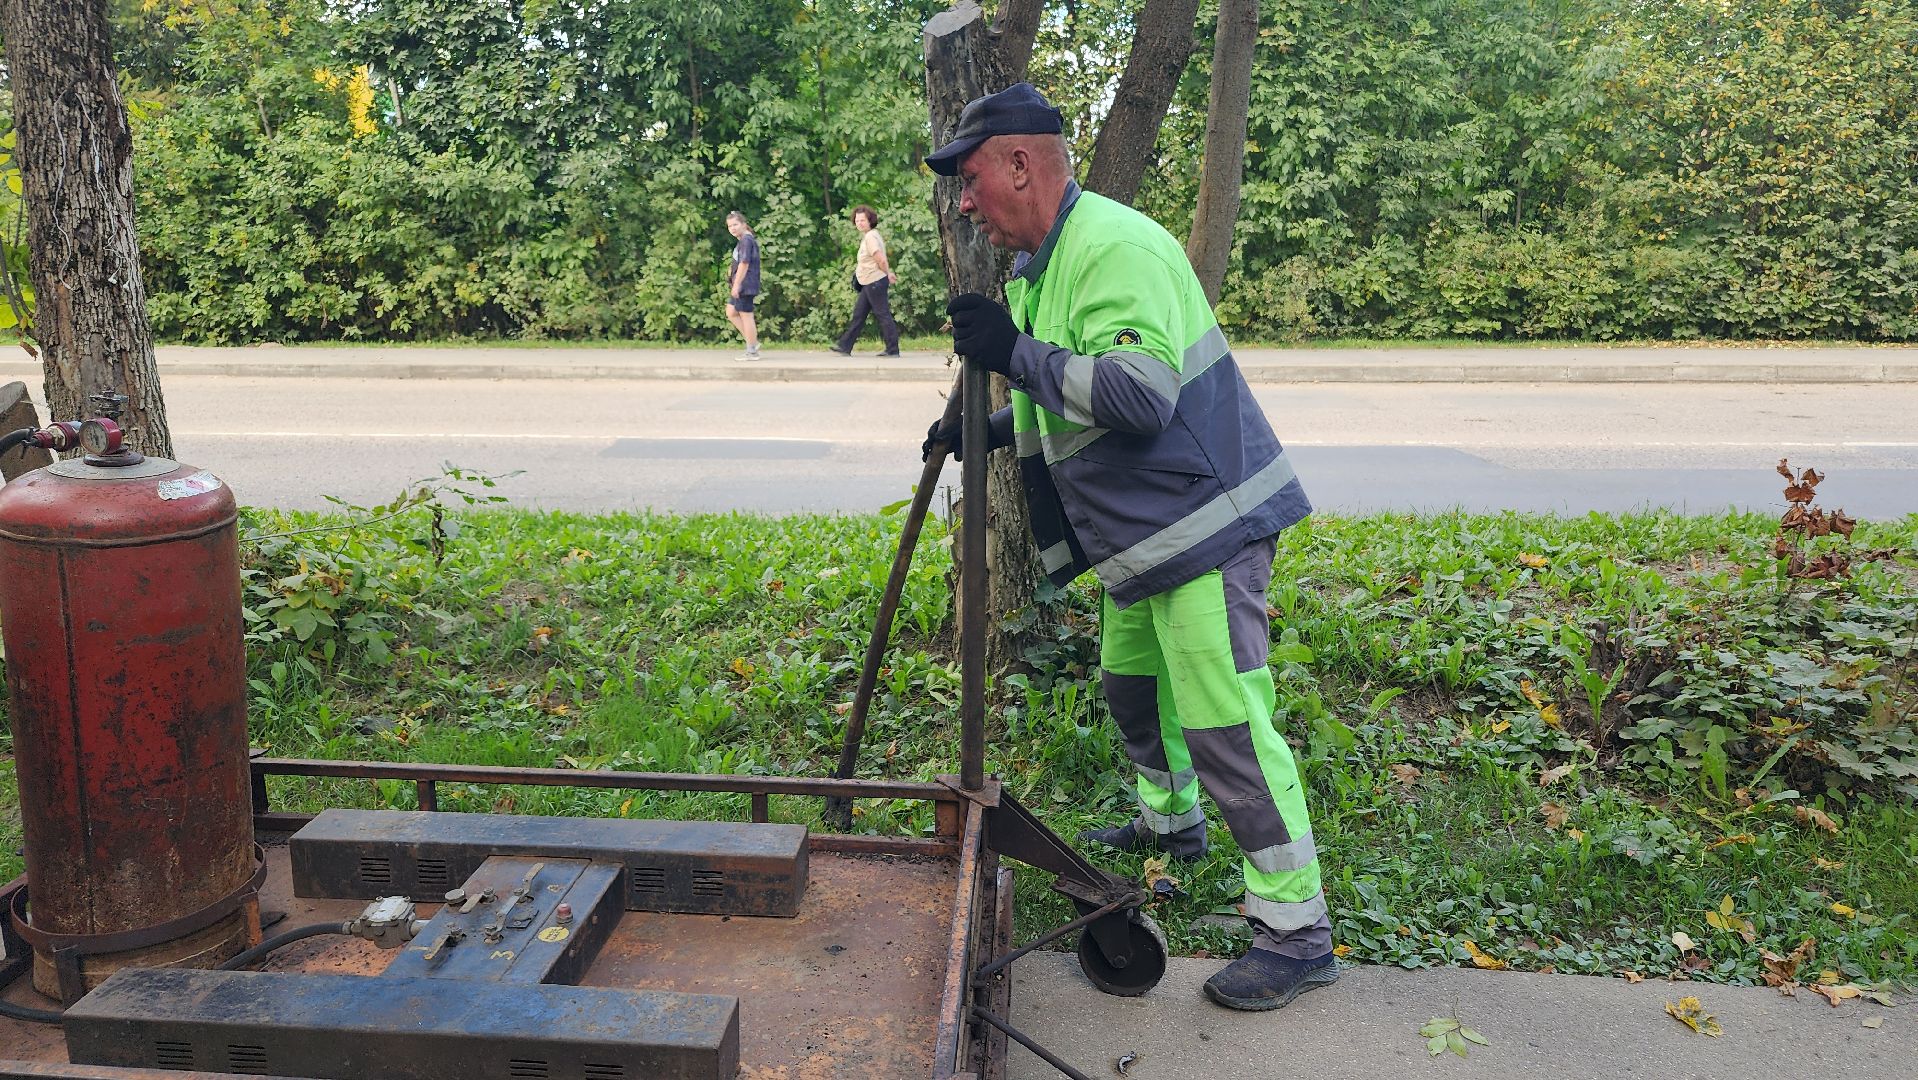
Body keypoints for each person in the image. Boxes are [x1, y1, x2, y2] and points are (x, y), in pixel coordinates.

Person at [920, 83, 1336, 1012]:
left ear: (1021, 165)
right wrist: (984, 426)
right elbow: (1069, 384)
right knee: (1130, 688)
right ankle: (1173, 824)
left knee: (1227, 724)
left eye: (971, 177)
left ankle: (1297, 928)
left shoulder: (1114, 246)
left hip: (1204, 530)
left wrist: (1012, 355)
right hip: (1146, 540)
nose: (964, 200)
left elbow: (1139, 395)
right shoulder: (1046, 264)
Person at [831, 205, 901, 357]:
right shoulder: (871, 235)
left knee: (882, 314)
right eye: (857, 220)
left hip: (874, 281)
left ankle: (893, 349)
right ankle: (845, 346)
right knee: (859, 314)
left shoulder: (870, 237)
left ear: (870, 221)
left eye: (862, 220)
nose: (859, 223)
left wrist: (887, 273)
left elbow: (879, 258)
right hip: (870, 281)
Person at [724, 211, 761, 360]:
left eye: (735, 225)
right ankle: (753, 342)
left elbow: (744, 263)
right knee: (731, 312)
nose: (732, 228)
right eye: (730, 226)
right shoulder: (743, 240)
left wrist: (737, 284)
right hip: (741, 284)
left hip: (745, 285)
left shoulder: (746, 240)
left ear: (743, 224)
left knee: (746, 316)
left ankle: (752, 351)